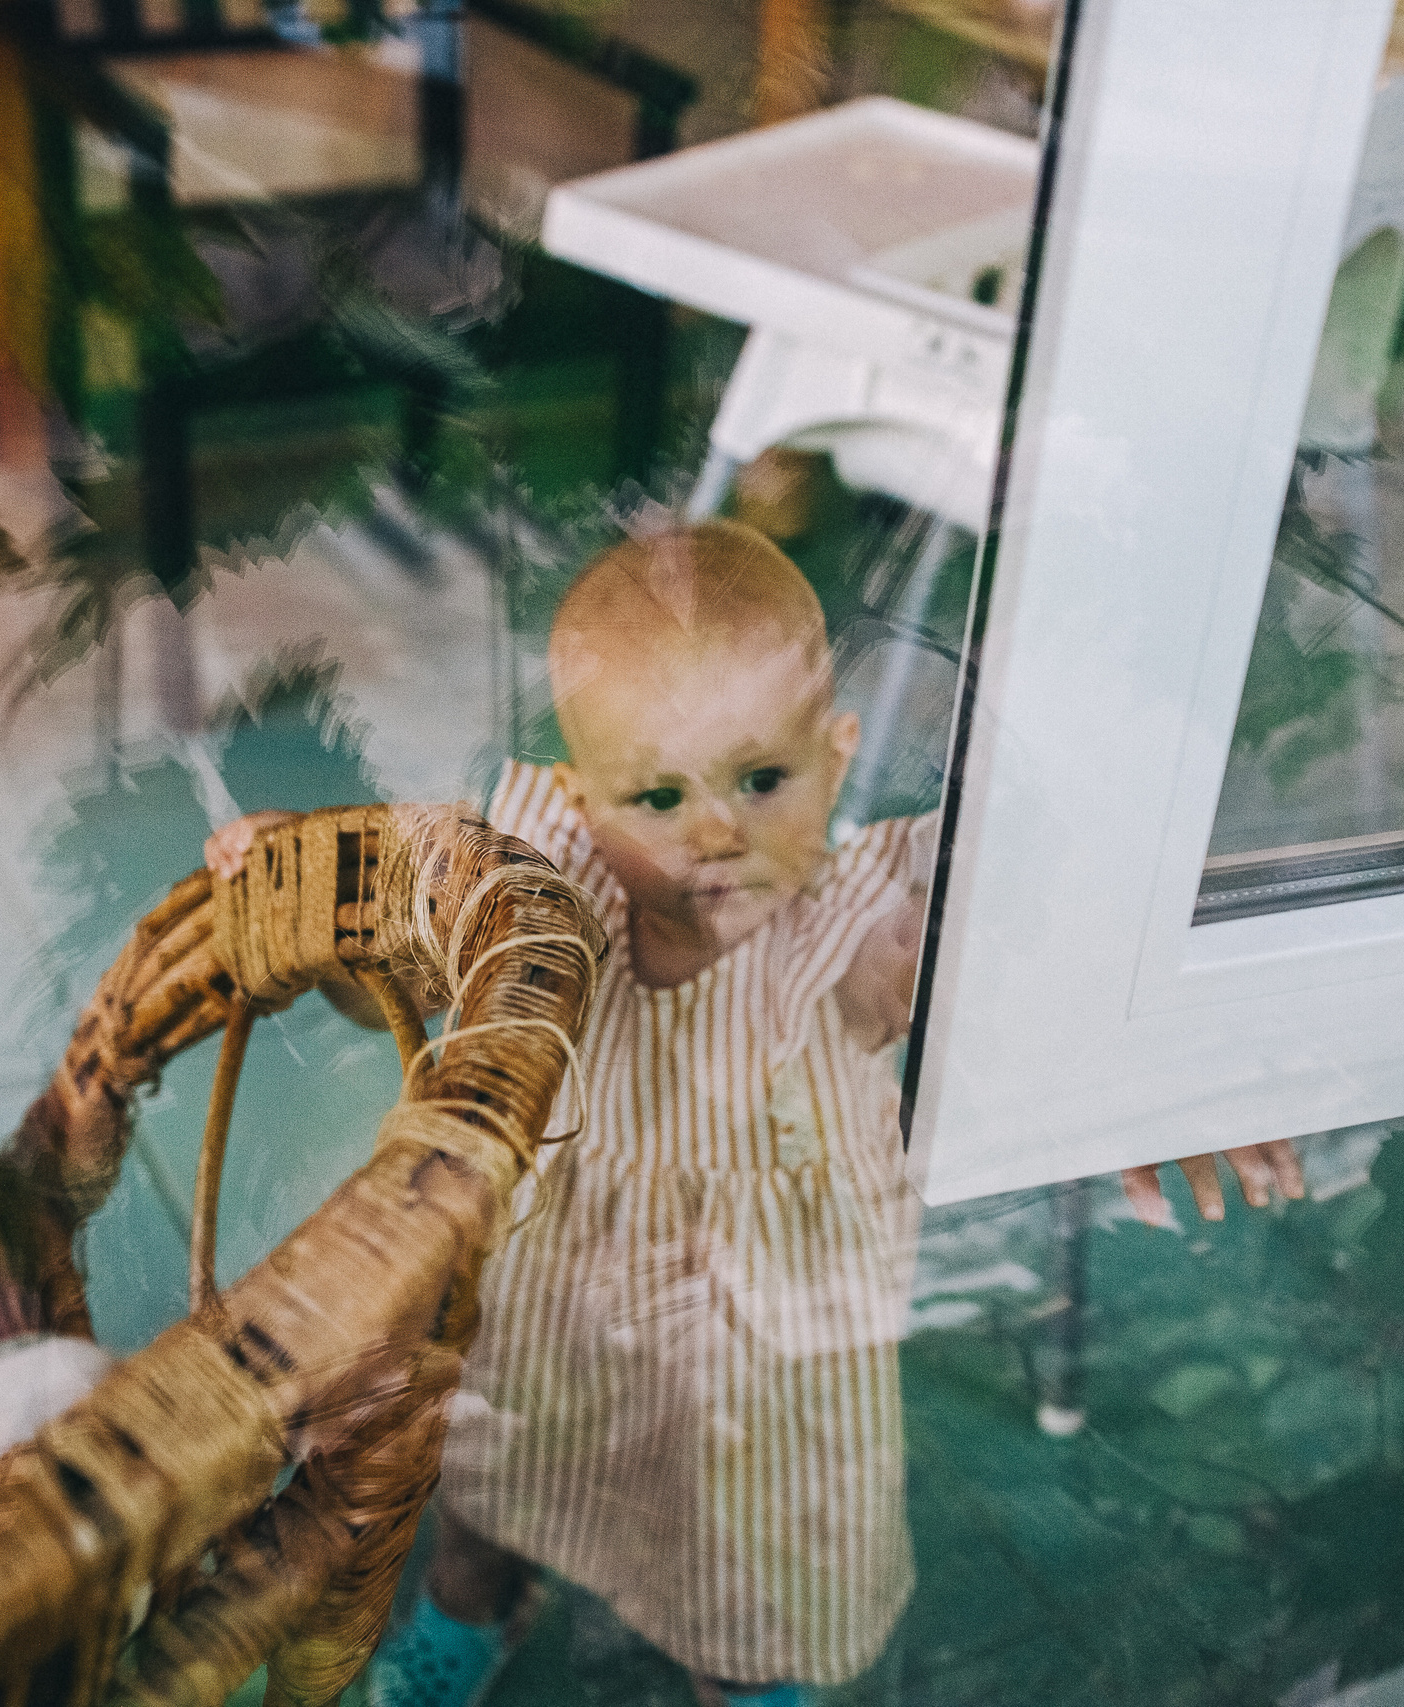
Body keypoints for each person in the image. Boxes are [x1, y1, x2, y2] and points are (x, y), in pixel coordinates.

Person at [206, 520, 1303, 1705]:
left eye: (761, 780)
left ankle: (743, 1679)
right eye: (659, 795)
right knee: (500, 1483)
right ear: (584, 798)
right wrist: (325, 907)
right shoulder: (541, 884)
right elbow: (405, 979)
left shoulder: (853, 924)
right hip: (556, 1317)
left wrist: (1131, 1069)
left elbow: (984, 968)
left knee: (742, 1581)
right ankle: (475, 1609)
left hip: (760, 1371)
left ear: (834, 764)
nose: (716, 830)